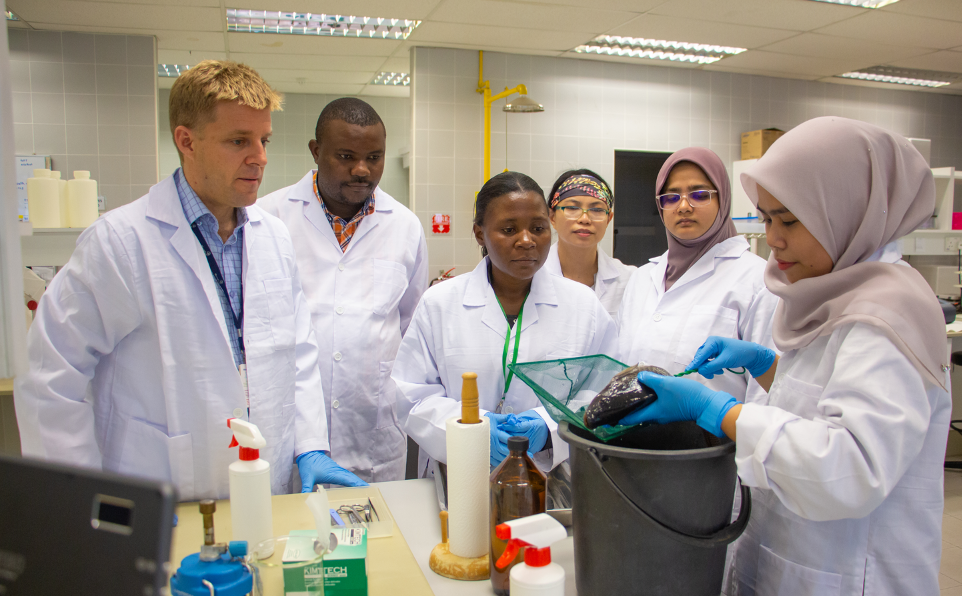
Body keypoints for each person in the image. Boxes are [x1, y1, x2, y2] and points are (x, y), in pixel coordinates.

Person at [622, 118, 951, 595]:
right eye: (767, 218)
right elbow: (821, 403)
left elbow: (851, 467)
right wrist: (765, 366)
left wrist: (714, 409)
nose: (773, 239)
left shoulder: (886, 316)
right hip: (790, 549)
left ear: (847, 210)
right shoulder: (833, 290)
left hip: (848, 571)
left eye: (789, 221)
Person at [15, 61, 365, 500]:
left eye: (263, 140)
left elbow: (299, 351)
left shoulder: (272, 236)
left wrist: (310, 445)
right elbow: (51, 379)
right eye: (239, 141)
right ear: (187, 141)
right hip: (157, 493)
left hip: (264, 488)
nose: (260, 157)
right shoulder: (121, 242)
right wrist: (83, 501)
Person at [393, 172, 617, 477]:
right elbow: (411, 395)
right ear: (479, 234)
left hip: (552, 477)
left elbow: (604, 392)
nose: (526, 240)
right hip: (460, 475)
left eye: (538, 228)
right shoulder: (440, 303)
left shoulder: (583, 306)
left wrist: (550, 424)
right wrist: (471, 431)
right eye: (509, 229)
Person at [259, 98, 427, 484]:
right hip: (292, 432)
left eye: (374, 156)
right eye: (346, 155)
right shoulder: (269, 218)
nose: (362, 169)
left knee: (383, 540)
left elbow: (410, 328)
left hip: (374, 432)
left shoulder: (405, 226)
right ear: (316, 152)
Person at [616, 148, 778, 403]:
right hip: (632, 439)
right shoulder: (642, 278)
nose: (683, 207)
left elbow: (768, 396)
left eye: (699, 195)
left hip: (718, 439)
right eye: (670, 197)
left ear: (722, 199)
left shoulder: (758, 280)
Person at [542, 170, 635, 321]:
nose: (584, 219)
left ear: (608, 219)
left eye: (597, 210)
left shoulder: (629, 280)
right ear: (552, 217)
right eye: (572, 208)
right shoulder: (531, 277)